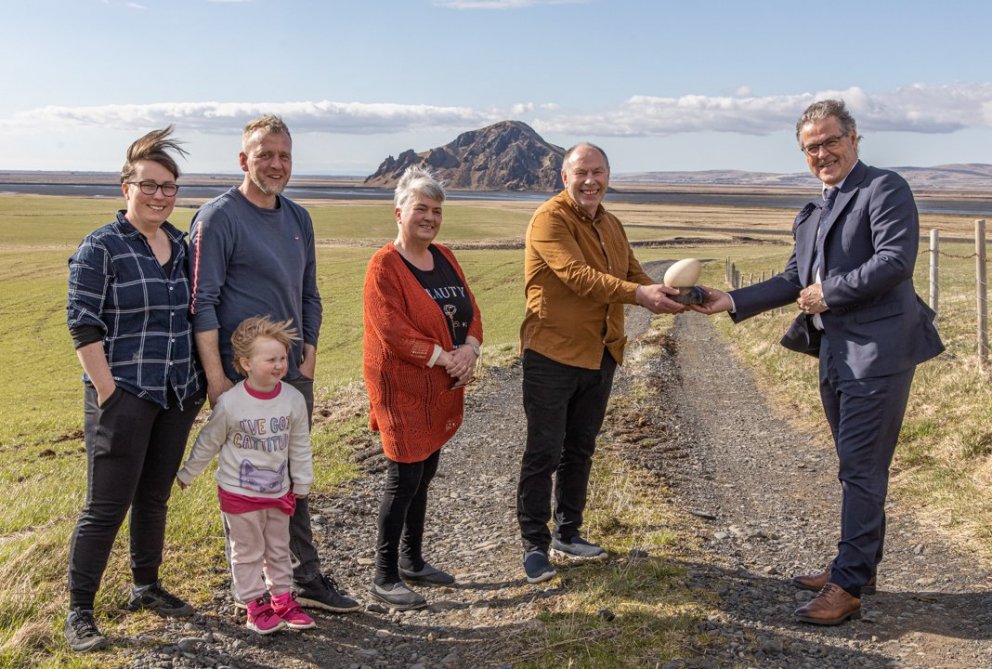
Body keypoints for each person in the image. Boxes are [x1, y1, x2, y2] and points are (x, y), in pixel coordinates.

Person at [691, 99, 944, 625]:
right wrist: (730, 300)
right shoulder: (812, 211)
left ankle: (847, 584)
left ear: (853, 139)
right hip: (833, 352)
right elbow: (793, 279)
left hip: (878, 352)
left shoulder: (884, 188)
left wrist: (829, 292)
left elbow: (894, 261)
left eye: (831, 141)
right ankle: (859, 566)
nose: (823, 153)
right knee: (854, 465)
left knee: (861, 467)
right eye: (812, 147)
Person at [188, 114, 359, 613]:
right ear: (244, 160)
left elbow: (310, 294)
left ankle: (302, 579)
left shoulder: (298, 218)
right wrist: (217, 379)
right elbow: (202, 303)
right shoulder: (218, 217)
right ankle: (252, 592)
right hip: (241, 381)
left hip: (291, 376)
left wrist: (309, 355)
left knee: (291, 479)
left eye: (284, 155)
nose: (276, 164)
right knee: (246, 481)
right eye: (265, 155)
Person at [516, 143, 685, 584]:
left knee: (581, 447)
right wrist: (639, 295)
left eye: (598, 172)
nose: (590, 181)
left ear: (608, 175)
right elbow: (579, 277)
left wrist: (670, 295)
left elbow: (632, 273)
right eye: (581, 173)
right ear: (564, 177)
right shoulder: (550, 219)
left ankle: (568, 532)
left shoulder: (611, 223)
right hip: (552, 353)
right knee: (543, 452)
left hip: (600, 352)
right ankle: (534, 545)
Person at [64, 127, 205, 652]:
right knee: (106, 505)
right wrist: (108, 393)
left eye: (168, 186)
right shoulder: (101, 247)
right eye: (148, 185)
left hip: (177, 393)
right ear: (126, 187)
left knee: (154, 496)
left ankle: (145, 586)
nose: (159, 195)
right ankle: (79, 612)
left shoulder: (184, 247)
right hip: (123, 394)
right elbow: (83, 324)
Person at [362, 166, 483, 609]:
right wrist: (445, 357)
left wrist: (470, 349)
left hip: (440, 386)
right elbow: (391, 328)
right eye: (421, 208)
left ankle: (412, 560)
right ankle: (384, 575)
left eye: (437, 210)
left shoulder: (445, 256)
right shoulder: (384, 265)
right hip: (401, 387)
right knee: (404, 476)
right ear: (399, 212)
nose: (430, 217)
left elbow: (471, 310)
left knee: (426, 470)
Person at [176, 316, 316, 635]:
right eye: (270, 360)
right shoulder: (231, 403)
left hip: (279, 492)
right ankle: (254, 604)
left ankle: (283, 600)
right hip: (239, 495)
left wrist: (302, 480)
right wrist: (188, 472)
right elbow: (208, 441)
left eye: (282, 358)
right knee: (248, 551)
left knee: (279, 548)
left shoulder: (292, 400)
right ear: (246, 364)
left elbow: (299, 443)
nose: (279, 365)